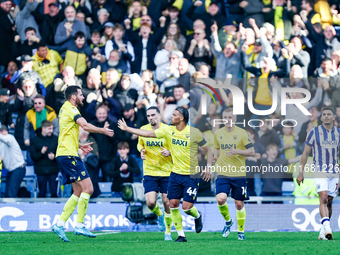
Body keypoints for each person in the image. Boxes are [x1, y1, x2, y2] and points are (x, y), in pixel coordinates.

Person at [118, 106, 213, 242]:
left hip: (190, 175)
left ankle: (197, 216)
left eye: (174, 115)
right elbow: (147, 134)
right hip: (172, 173)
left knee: (186, 207)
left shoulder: (195, 132)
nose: (170, 117)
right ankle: (180, 235)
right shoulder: (168, 130)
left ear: (181, 118)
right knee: (171, 204)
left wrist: (208, 167)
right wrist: (128, 129)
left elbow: (208, 150)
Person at [52, 85, 114, 242]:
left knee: (78, 191)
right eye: (81, 94)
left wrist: (79, 145)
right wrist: (103, 130)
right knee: (89, 188)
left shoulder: (64, 109)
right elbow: (85, 126)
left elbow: (65, 133)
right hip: (68, 156)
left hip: (65, 154)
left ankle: (60, 224)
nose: (83, 97)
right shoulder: (72, 110)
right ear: (73, 97)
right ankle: (79, 224)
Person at [297, 107, 340, 240]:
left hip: (334, 171)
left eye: (329, 114)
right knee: (323, 198)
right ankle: (327, 228)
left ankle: (323, 230)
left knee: (330, 201)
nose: (327, 116)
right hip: (320, 169)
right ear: (321, 118)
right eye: (324, 115)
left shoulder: (338, 133)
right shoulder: (313, 132)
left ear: (333, 117)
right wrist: (300, 172)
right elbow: (305, 153)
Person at [212, 108, 255, 241]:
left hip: (238, 173)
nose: (227, 120)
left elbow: (252, 151)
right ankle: (228, 221)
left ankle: (240, 232)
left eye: (230, 117)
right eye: (225, 117)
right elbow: (217, 149)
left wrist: (236, 151)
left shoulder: (242, 133)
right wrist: (215, 158)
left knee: (238, 204)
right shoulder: (218, 133)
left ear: (235, 119)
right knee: (220, 199)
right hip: (223, 172)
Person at [137, 106, 173, 240]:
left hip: (166, 171)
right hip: (150, 171)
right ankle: (160, 215)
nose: (151, 118)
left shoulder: (167, 129)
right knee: (150, 203)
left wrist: (169, 152)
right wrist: (141, 150)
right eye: (148, 116)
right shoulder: (143, 129)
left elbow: (175, 147)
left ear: (158, 115)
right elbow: (139, 143)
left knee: (167, 202)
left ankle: (168, 233)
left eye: (153, 115)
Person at [29, 120, 59, 198]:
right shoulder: (34, 140)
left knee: (54, 193)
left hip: (53, 170)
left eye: (52, 129)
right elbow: (33, 156)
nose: (51, 131)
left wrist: (54, 156)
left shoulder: (56, 139)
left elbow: (61, 154)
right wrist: (41, 153)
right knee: (41, 193)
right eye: (49, 129)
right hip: (41, 171)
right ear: (43, 129)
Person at [0, 125, 26, 198]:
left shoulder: (10, 137)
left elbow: (5, 139)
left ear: (7, 132)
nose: (0, 133)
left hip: (18, 168)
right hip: (11, 170)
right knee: (7, 195)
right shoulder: (1, 144)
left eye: (2, 131)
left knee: (11, 194)